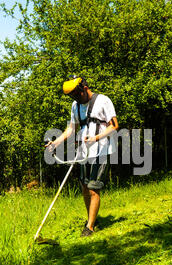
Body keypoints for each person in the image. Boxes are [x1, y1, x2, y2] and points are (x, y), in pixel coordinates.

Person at [45, 75, 119, 237]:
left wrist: (96, 138)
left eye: (76, 95)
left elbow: (114, 125)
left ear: (85, 89)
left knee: (94, 188)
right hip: (84, 151)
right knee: (85, 187)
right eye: (72, 97)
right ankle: (92, 219)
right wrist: (55, 143)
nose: (75, 99)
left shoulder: (103, 101)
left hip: (102, 150)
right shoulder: (75, 106)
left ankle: (90, 227)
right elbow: (71, 129)